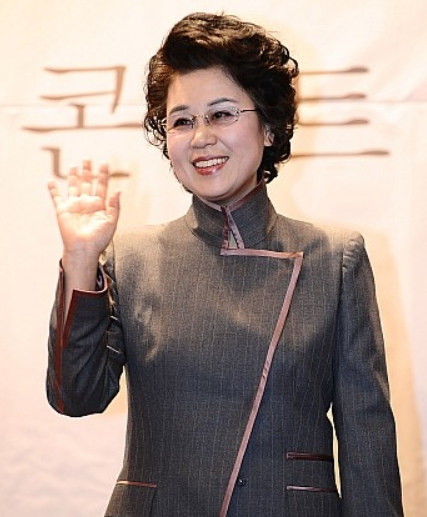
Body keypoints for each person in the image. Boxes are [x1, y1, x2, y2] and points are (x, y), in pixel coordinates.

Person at [46, 12, 404, 517]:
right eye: (182, 121)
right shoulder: (132, 258)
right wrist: (83, 259)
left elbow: (367, 438)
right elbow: (76, 397)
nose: (200, 137)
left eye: (221, 114)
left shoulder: (334, 258)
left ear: (270, 127)